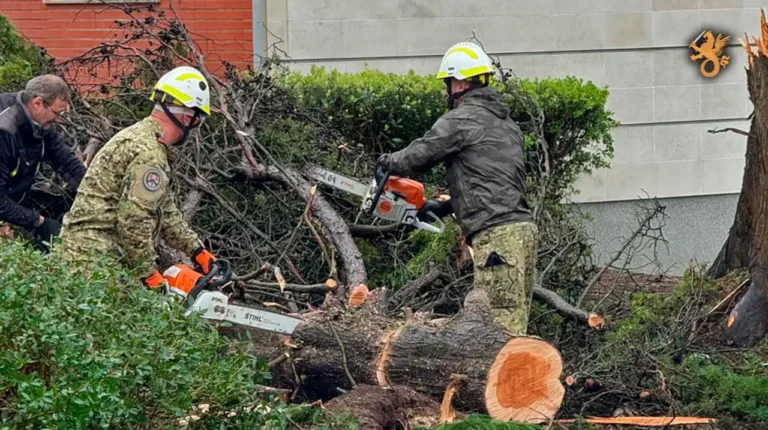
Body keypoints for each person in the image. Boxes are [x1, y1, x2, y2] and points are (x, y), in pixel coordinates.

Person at [376, 42, 538, 335]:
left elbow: (421, 154)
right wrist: (447, 206)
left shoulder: (462, 119)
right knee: (514, 325)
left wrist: (388, 163)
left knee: (494, 331)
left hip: (498, 236)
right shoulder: (505, 124)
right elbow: (495, 180)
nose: (446, 91)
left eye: (448, 84)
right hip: (522, 231)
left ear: (461, 82)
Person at [58, 66, 219, 291]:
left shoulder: (141, 138)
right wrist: (147, 273)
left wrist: (195, 249)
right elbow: (134, 219)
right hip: (95, 264)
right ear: (186, 117)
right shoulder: (149, 154)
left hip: (87, 255)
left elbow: (164, 207)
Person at [0, 75, 86, 248]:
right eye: (56, 113)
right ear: (38, 103)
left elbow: (63, 157)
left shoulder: (37, 122)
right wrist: (38, 222)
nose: (58, 119)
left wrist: (91, 186)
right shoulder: (5, 131)